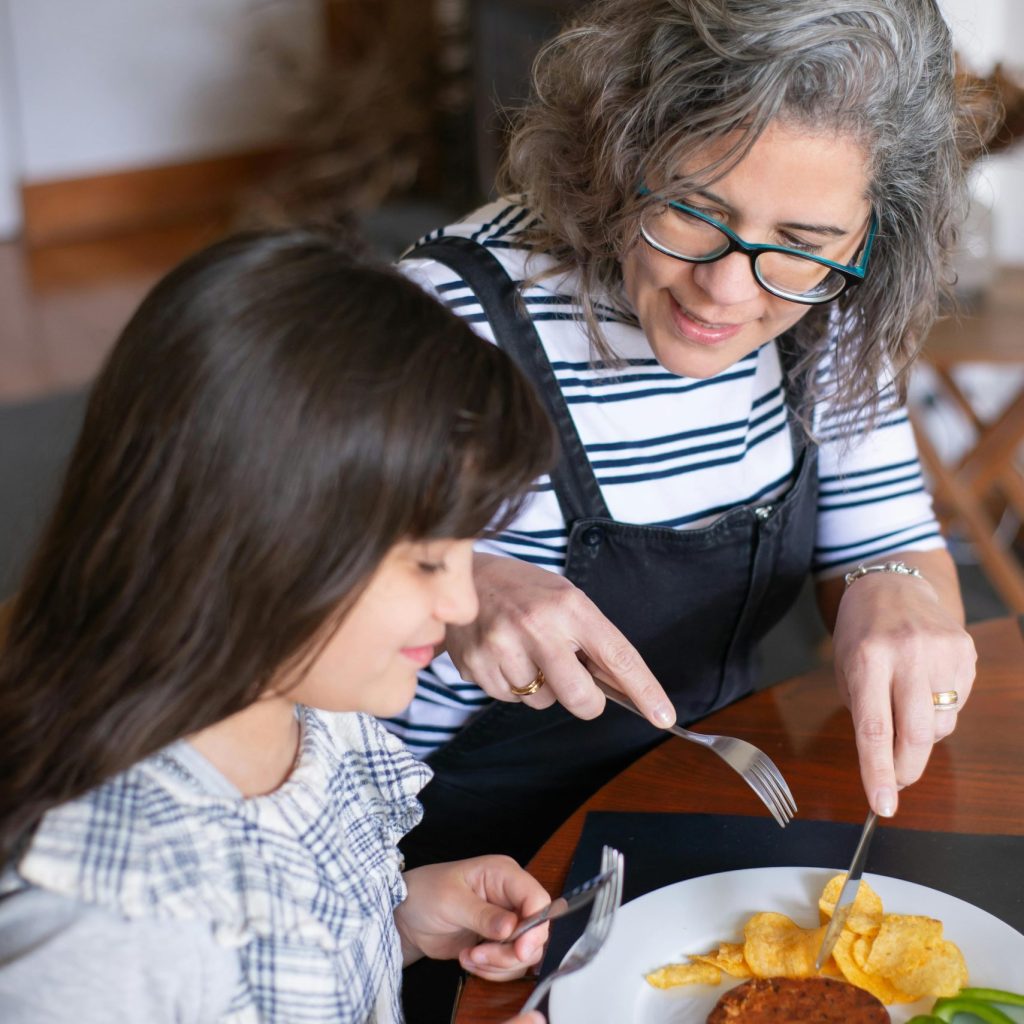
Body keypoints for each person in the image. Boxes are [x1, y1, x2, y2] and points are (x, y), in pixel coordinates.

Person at [387, 0, 982, 871]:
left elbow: (895, 543)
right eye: (696, 211)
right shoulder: (456, 315)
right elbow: (269, 608)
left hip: (702, 798)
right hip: (436, 851)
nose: (728, 293)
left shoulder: (831, 305)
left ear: (870, 235)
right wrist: (459, 581)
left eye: (803, 242)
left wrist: (896, 590)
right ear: (624, 149)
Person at [0, 230, 558, 1024]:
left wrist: (399, 921)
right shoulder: (101, 932)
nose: (465, 605)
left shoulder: (304, 717)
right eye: (430, 562)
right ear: (263, 538)